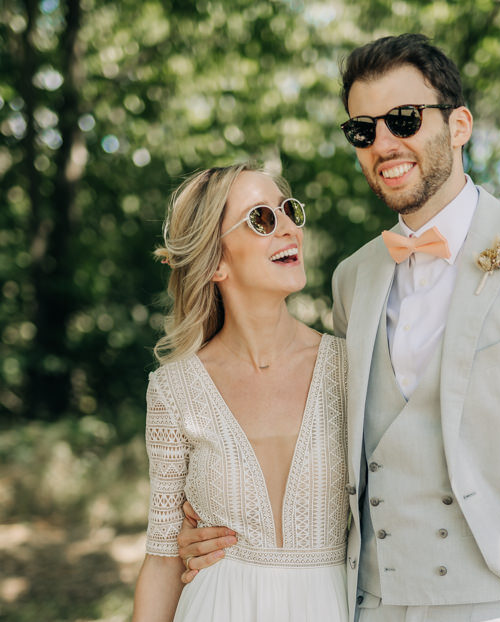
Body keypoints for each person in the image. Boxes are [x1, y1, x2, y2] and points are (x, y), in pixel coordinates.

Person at [178, 34, 500, 622]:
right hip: (375, 605)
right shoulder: (353, 279)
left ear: (459, 125)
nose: (384, 144)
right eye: (363, 130)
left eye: (404, 119)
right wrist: (220, 529)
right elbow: (333, 452)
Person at [132, 162, 350, 622]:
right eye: (262, 218)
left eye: (288, 210)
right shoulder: (174, 390)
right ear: (216, 262)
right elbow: (163, 558)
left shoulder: (351, 368)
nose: (288, 227)